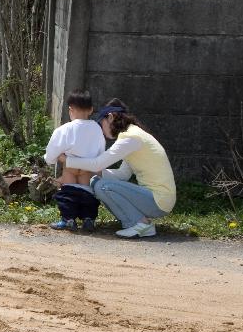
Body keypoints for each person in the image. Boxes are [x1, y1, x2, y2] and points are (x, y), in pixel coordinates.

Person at [65, 99, 177, 238]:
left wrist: (67, 160)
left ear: (110, 117)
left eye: (102, 124)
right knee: (97, 182)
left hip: (158, 200)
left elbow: (98, 163)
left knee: (102, 186)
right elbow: (123, 174)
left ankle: (140, 224)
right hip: (159, 200)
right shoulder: (134, 135)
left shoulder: (131, 138)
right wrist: (95, 173)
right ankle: (139, 223)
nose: (102, 131)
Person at [44, 89, 105, 231]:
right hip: (87, 169)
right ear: (91, 110)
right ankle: (88, 219)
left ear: (70, 109)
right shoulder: (97, 128)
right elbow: (100, 151)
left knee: (67, 195)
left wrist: (50, 159)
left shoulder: (65, 129)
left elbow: (53, 149)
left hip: (69, 169)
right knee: (87, 194)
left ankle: (68, 219)